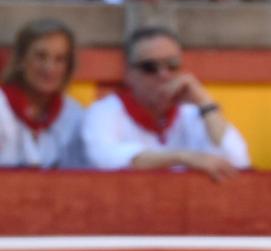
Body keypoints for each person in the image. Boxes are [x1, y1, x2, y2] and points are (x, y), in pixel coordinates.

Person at [80, 24, 250, 177]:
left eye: (172, 65)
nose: (164, 75)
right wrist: (183, 158)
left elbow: (238, 160)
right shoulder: (105, 110)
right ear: (129, 74)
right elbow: (104, 158)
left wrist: (205, 103)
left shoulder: (192, 112)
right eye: (150, 67)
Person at [0, 18, 85, 168]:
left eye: (60, 59)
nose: (49, 68)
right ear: (21, 59)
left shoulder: (74, 114)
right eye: (40, 56)